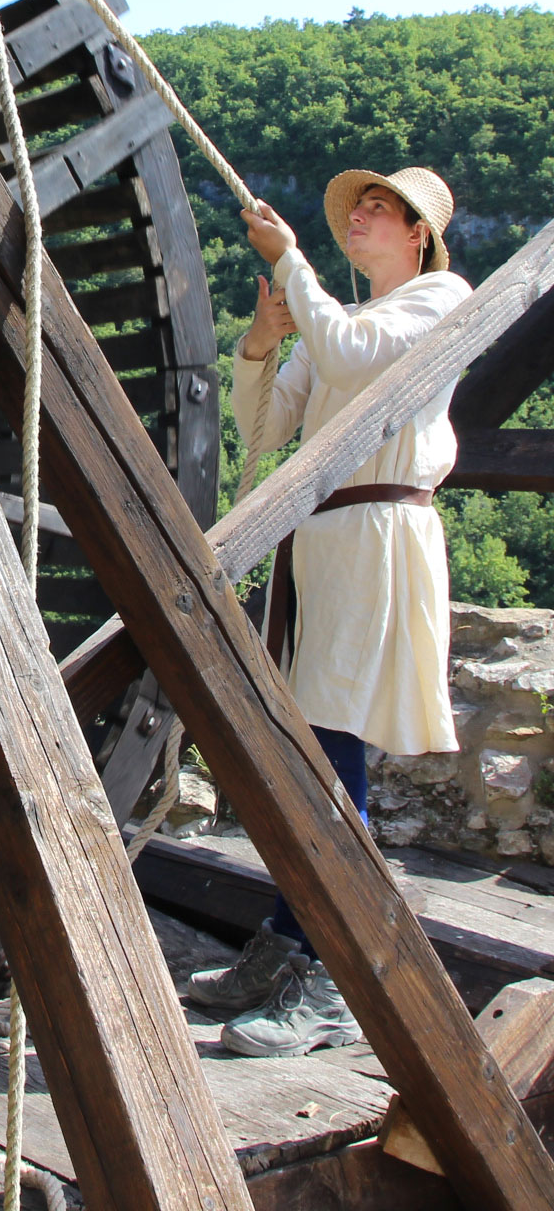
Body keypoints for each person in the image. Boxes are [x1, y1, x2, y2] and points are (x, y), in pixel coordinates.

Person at [183, 168, 470, 1057]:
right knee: (313, 742)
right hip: (327, 540)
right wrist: (262, 347)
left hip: (380, 531)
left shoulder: (441, 297)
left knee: (332, 738)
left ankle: (339, 980)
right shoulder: (339, 318)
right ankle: (289, 944)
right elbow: (266, 430)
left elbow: (349, 354)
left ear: (418, 232)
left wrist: (294, 265)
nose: (360, 215)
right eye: (355, 206)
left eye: (379, 207)